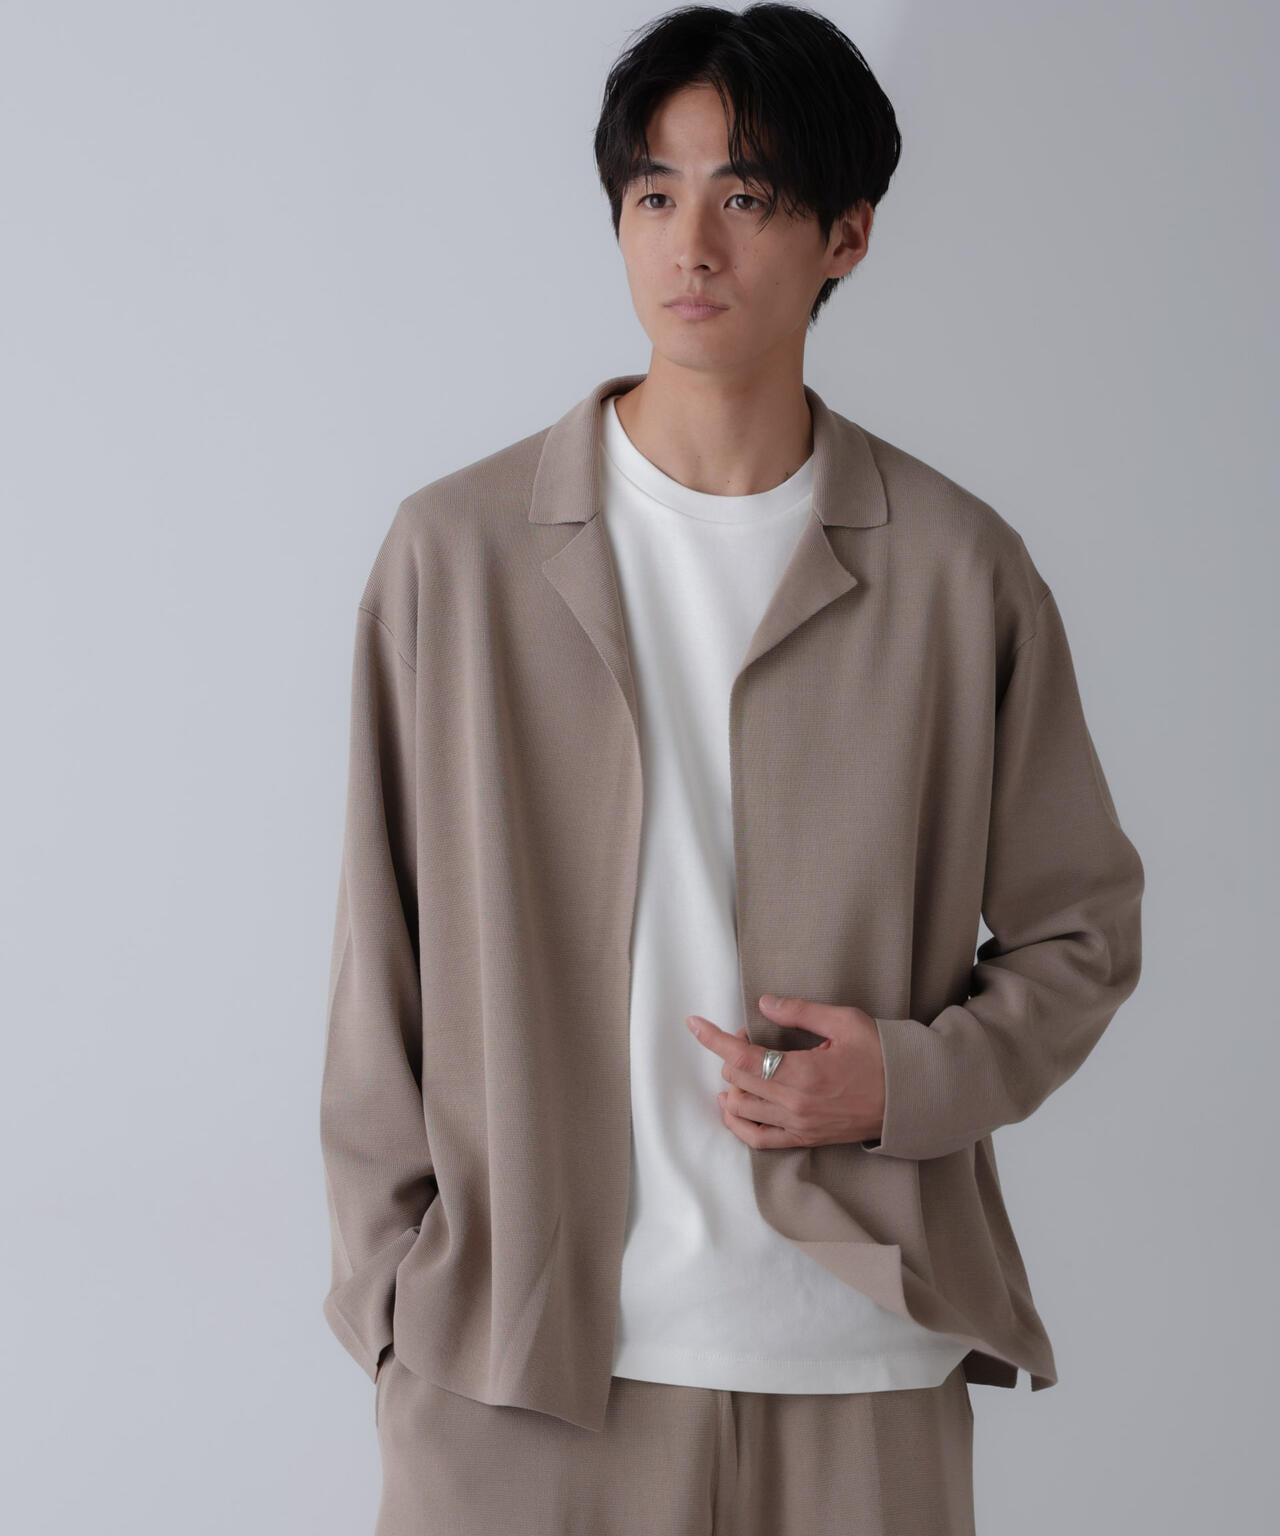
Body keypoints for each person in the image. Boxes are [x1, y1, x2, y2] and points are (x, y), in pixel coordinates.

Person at [318, 6, 1144, 1533]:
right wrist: (390, 1309)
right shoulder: (457, 557)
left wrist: (906, 1080)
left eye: (746, 197)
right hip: (517, 1384)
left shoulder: (959, 572)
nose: (689, 243)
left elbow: (1082, 930)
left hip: (857, 1373)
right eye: (655, 192)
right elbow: (384, 961)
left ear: (847, 236)